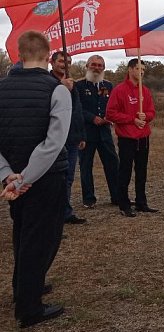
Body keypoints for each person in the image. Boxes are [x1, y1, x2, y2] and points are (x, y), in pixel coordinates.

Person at [0, 31, 70, 327]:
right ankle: (29, 308)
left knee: (23, 234)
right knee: (40, 239)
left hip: (14, 178)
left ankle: (24, 286)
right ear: (48, 53)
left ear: (18, 53)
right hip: (44, 178)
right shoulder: (58, 90)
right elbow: (53, 145)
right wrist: (23, 178)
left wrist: (8, 176)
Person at [106, 58, 158, 216]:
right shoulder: (119, 90)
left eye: (143, 70)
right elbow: (111, 113)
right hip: (127, 138)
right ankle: (124, 204)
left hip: (143, 137)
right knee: (125, 171)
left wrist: (145, 116)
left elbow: (152, 112)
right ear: (130, 69)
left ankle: (141, 202)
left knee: (141, 171)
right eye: (138, 69)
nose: (141, 72)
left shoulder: (145, 91)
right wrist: (132, 119)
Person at [75, 55, 121, 209]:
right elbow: (77, 108)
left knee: (113, 164)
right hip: (86, 133)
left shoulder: (108, 85)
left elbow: (112, 105)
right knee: (86, 166)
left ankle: (117, 196)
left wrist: (110, 116)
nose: (96, 68)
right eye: (93, 64)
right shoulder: (79, 85)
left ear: (104, 68)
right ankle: (89, 199)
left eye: (100, 65)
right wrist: (92, 118)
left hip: (104, 132)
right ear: (87, 66)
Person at [50, 51, 87, 225]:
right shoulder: (47, 82)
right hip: (54, 139)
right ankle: (53, 215)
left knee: (68, 177)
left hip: (72, 138)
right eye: (61, 61)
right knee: (53, 179)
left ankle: (65, 211)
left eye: (69, 61)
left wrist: (81, 135)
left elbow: (77, 111)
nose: (65, 64)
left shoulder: (73, 84)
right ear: (52, 62)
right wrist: (60, 87)